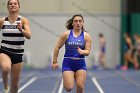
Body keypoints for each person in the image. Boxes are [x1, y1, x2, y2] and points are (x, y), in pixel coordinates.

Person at [52, 14, 92, 93]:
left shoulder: (86, 36)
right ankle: (68, 78)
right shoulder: (66, 34)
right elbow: (57, 47)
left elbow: (88, 51)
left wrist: (83, 51)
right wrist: (55, 61)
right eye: (75, 21)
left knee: (80, 86)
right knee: (69, 88)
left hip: (80, 63)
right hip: (68, 63)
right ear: (72, 23)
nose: (78, 23)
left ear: (82, 23)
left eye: (80, 21)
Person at [0, 0, 31, 93]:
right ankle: (5, 86)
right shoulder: (2, 20)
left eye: (15, 3)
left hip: (18, 53)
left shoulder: (23, 20)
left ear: (18, 6)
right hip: (4, 50)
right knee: (5, 68)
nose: (12, 5)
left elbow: (29, 36)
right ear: (8, 7)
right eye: (10, 4)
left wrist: (21, 30)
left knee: (15, 83)